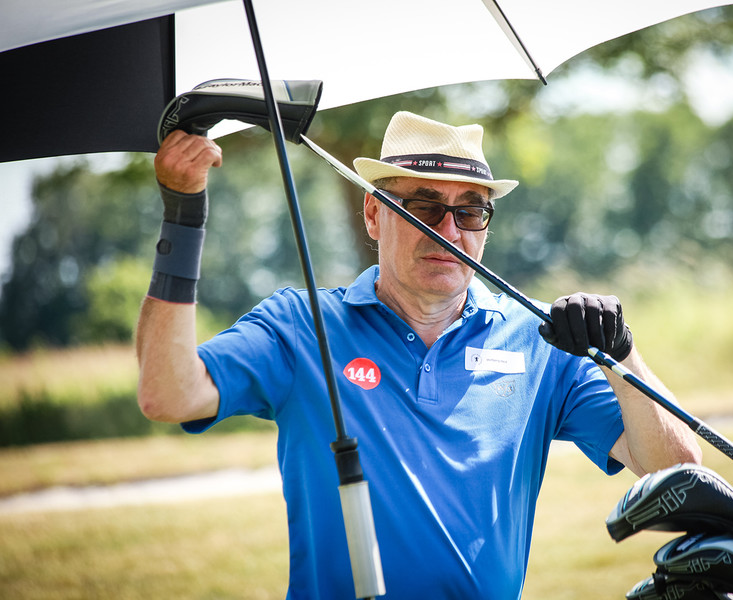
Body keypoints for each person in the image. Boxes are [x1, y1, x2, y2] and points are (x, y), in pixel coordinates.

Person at [136, 111, 701, 599]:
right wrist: (184, 214)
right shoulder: (301, 324)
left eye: (471, 211)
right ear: (374, 214)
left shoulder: (541, 340)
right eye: (425, 207)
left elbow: (674, 472)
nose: (449, 231)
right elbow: (168, 394)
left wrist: (622, 356)